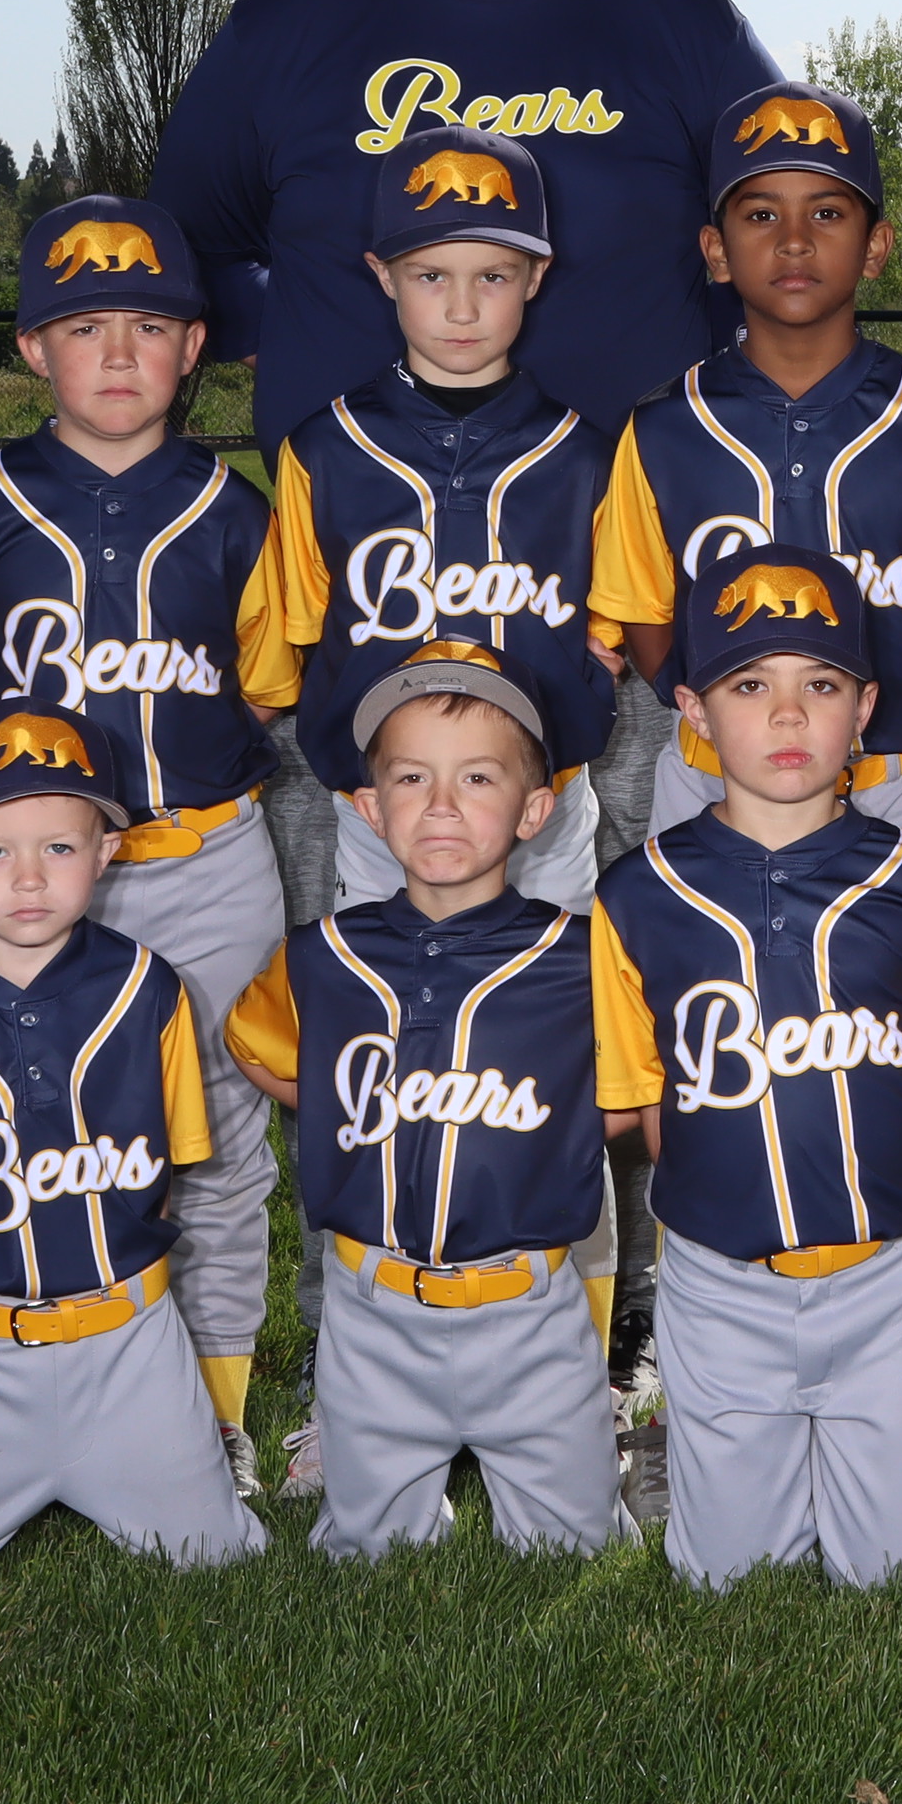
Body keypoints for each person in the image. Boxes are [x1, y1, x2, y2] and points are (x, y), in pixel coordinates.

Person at [153, 0, 783, 920]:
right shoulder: (288, 27)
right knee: (357, 961)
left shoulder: (678, 22)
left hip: (622, 614)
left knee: (639, 963)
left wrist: (706, 405)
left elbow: (778, 238)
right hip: (361, 607)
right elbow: (175, 261)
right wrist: (304, 334)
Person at [588, 83, 902, 1510]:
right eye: (760, 214)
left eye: (828, 212)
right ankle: (695, 1385)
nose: (794, 241)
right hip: (711, 797)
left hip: (899, 792)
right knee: (705, 1081)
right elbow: (643, 620)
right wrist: (714, 731)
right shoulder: (664, 428)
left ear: (878, 243)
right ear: (713, 247)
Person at [0, 195, 294, 1500]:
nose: (119, 353)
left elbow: (266, 690)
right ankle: (49, 1398)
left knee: (218, 1143)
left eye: (150, 324)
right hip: (34, 881)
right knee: (43, 1136)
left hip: (205, 862)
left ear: (194, 346)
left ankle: (215, 1418)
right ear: (33, 348)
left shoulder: (235, 511)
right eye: (83, 327)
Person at [591, 552, 902, 1590]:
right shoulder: (637, 895)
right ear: (693, 710)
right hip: (721, 1281)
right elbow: (651, 1104)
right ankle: (706, 1452)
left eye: (820, 683)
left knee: (900, 1571)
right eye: (748, 685)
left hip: (888, 1275)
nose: (786, 714)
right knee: (729, 1577)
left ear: (865, 710)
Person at [0, 701, 267, 1593]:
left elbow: (165, 1172)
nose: (29, 878)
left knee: (217, 1560)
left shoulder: (149, 988)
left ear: (107, 852)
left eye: (61, 847)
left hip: (133, 1350)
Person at [221, 642, 625, 1563]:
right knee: (365, 1553)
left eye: (477, 777)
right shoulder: (324, 953)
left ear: (535, 809)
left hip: (530, 1304)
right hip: (374, 1306)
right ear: (369, 809)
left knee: (573, 1547)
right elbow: (258, 1047)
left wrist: (568, 1129)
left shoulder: (583, 957)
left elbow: (641, 1089)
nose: (441, 804)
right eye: (410, 778)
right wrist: (343, 1110)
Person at [250, 123, 615, 913]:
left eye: (493, 275)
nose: (461, 306)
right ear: (383, 274)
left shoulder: (586, 454)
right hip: (384, 803)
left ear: (536, 275)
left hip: (543, 801)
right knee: (381, 980)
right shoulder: (324, 448)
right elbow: (303, 630)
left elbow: (613, 629)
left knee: (553, 983)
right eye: (429, 275)